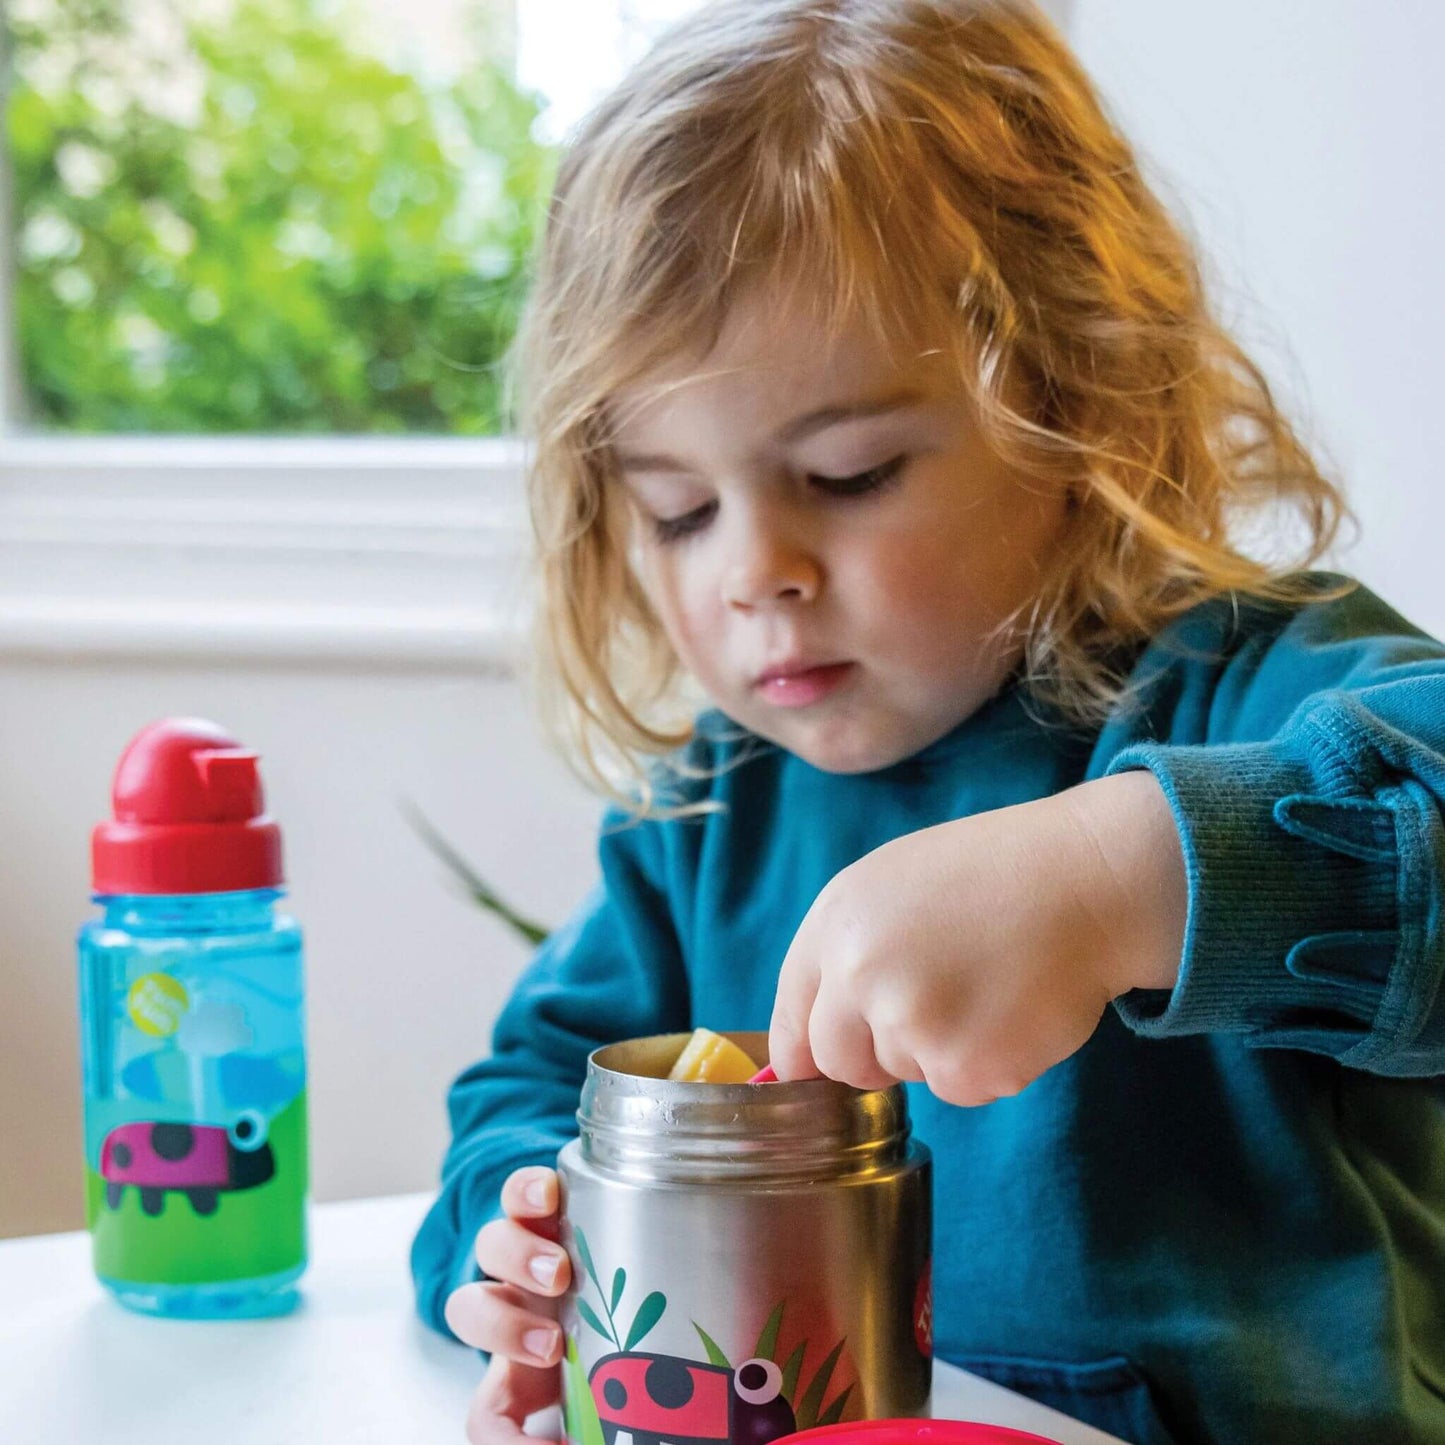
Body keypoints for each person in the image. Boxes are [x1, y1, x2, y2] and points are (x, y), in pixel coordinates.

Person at [411, 3, 1445, 1442]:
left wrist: (1129, 875)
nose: (750, 565)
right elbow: (530, 1083)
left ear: (1079, 405)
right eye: (676, 507)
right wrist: (517, 1235)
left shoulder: (1249, 682)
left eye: (846, 472)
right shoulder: (713, 810)